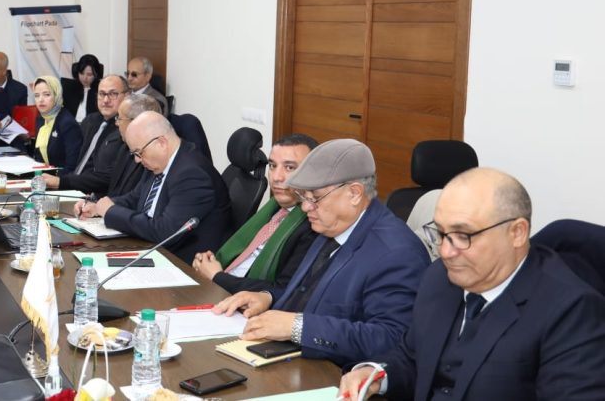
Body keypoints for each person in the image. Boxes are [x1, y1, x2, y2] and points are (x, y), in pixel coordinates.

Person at [339, 168, 605, 400]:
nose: (446, 251)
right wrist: (375, 375)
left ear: (517, 233)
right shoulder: (439, 278)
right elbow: (413, 358)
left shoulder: (571, 311)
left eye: (463, 235)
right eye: (441, 233)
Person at [212, 139, 429, 367]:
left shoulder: (396, 253)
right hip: (286, 355)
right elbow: (312, 294)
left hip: (337, 373)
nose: (306, 207)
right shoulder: (331, 224)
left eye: (314, 198)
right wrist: (268, 297)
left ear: (354, 193)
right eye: (303, 196)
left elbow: (390, 338)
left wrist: (297, 327)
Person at [75, 111, 231, 262]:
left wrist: (111, 212)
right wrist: (98, 207)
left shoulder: (192, 174)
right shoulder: (159, 163)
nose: (137, 160)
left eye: (139, 153)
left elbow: (165, 232)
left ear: (162, 143)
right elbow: (135, 198)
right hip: (150, 249)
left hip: (179, 263)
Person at [191, 133, 319, 294]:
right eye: (273, 166)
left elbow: (282, 290)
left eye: (290, 168)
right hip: (218, 286)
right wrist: (208, 264)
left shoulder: (313, 224)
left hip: (239, 298)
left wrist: (217, 276)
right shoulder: (274, 207)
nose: (276, 177)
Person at [42, 74, 128, 195]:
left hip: (94, 195)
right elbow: (71, 159)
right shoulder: (90, 121)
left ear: (127, 96)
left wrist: (62, 182)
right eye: (101, 94)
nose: (106, 100)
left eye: (113, 94)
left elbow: (106, 177)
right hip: (71, 186)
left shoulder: (125, 130)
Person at [106, 94, 159, 197]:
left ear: (135, 121)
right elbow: (114, 192)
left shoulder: (153, 157)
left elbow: (136, 199)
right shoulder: (124, 148)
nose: (116, 123)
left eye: (119, 118)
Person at [30, 76, 82, 173]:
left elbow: (72, 167)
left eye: (47, 94)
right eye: (37, 95)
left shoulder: (67, 123)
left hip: (61, 179)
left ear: (56, 95)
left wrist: (50, 176)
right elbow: (38, 156)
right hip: (44, 175)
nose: (40, 99)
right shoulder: (41, 119)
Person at [61, 54, 103, 123]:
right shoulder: (68, 87)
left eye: (89, 74)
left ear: (96, 75)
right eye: (81, 73)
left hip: (91, 127)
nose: (84, 78)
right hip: (71, 125)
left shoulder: (101, 90)